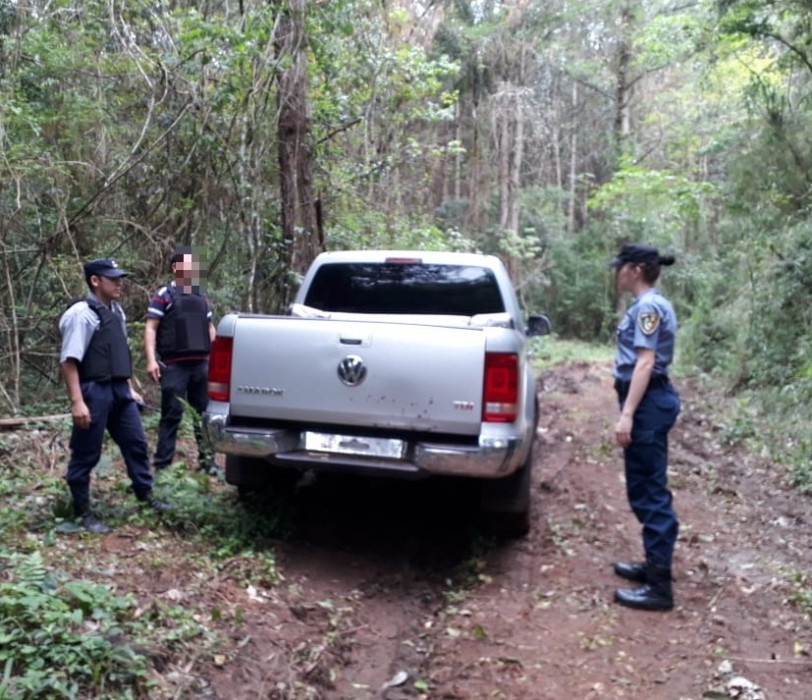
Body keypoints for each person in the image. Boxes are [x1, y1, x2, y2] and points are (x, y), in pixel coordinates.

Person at [59, 258, 171, 533]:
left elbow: (117, 352)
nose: (119, 282)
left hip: (120, 390)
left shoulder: (116, 311)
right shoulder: (81, 314)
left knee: (136, 443)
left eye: (120, 277)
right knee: (86, 452)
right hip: (93, 391)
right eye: (113, 278)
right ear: (95, 281)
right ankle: (82, 511)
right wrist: (77, 402)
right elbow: (69, 361)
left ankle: (145, 495)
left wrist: (130, 387)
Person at [609, 243, 681, 611]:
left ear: (635, 270)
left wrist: (627, 415)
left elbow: (645, 363)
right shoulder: (647, 306)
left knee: (649, 491)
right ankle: (653, 565)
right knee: (644, 486)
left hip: (647, 404)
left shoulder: (649, 307)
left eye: (620, 267)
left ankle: (659, 588)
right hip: (649, 402)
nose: (616, 272)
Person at [144, 245, 217, 474]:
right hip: (175, 366)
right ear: (176, 267)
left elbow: (209, 327)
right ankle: (163, 466)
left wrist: (216, 358)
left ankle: (208, 463)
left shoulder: (201, 296)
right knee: (171, 415)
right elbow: (151, 327)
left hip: (201, 365)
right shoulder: (164, 294)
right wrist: (151, 360)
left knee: (204, 416)